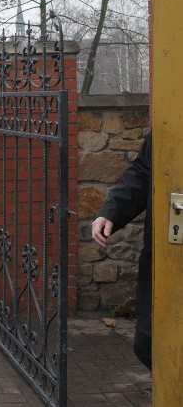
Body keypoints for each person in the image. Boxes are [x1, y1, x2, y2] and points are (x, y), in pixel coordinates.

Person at [92, 131, 152, 370]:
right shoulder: (172, 118)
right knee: (147, 342)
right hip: (169, 252)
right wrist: (110, 213)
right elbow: (142, 174)